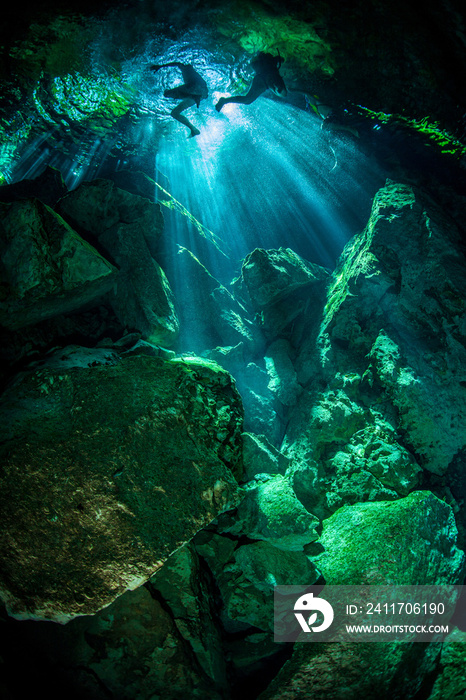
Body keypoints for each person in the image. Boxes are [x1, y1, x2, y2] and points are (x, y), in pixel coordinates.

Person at [150, 62, 208, 137]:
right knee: (174, 113)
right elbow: (206, 95)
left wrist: (161, 66)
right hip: (200, 94)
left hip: (197, 88)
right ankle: (193, 129)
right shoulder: (190, 73)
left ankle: (193, 97)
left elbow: (177, 63)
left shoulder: (186, 68)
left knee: (166, 93)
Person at [215, 51, 287, 112]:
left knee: (248, 100)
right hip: (262, 79)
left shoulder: (272, 63)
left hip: (263, 78)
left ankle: (224, 101)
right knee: (248, 100)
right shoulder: (271, 63)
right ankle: (224, 101)